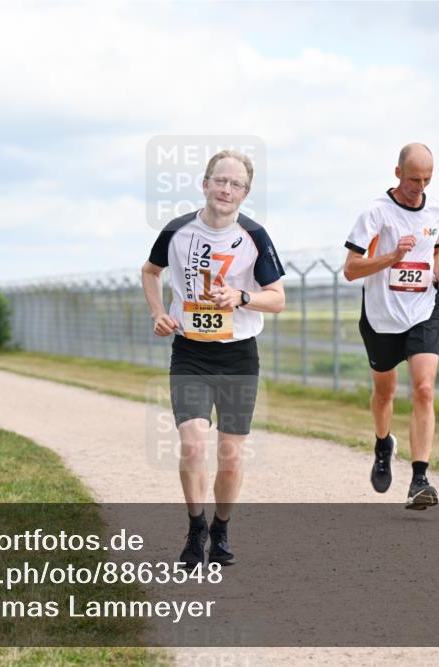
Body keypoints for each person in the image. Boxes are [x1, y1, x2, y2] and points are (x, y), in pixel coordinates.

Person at [142, 150, 286, 568]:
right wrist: (158, 313)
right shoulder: (177, 231)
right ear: (204, 184)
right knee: (190, 445)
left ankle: (221, 530)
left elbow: (278, 299)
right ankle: (195, 527)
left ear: (245, 193)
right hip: (190, 353)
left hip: (239, 356)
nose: (226, 189)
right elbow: (150, 272)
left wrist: (242, 297)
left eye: (236, 184)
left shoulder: (255, 235)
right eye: (219, 181)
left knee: (231, 454)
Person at [343, 143, 439, 510]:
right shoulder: (375, 214)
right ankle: (382, 444)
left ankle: (420, 479)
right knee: (385, 393)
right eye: (412, 179)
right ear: (397, 173)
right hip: (381, 316)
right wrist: (393, 256)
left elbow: (436, 250)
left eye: (426, 180)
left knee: (424, 389)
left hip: (423, 309)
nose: (418, 187)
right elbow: (350, 269)